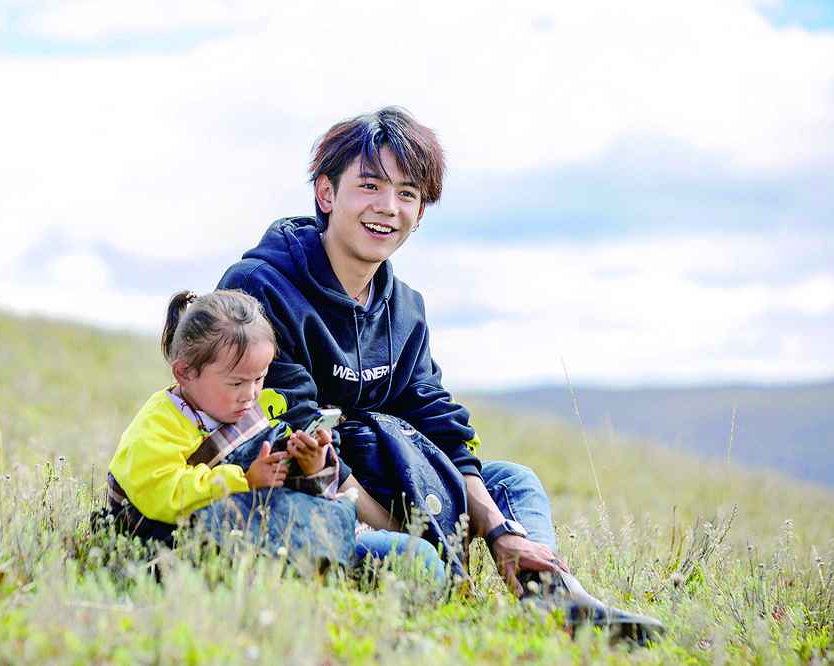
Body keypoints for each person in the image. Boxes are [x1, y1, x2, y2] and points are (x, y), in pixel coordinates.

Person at [218, 107, 664, 642]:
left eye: (407, 193)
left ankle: (553, 597)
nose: (388, 207)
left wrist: (498, 530)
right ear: (326, 193)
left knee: (511, 482)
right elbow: (292, 434)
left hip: (385, 475)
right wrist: (410, 533)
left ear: (421, 211)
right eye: (370, 185)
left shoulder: (406, 307)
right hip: (295, 490)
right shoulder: (261, 286)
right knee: (419, 565)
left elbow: (435, 419)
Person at [103, 288, 445, 584]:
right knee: (406, 562)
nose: (250, 394)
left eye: (259, 378)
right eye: (236, 382)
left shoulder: (247, 411)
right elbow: (160, 492)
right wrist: (244, 481)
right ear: (185, 372)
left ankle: (343, 561)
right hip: (197, 546)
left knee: (422, 557)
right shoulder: (161, 422)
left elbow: (284, 490)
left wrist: (312, 467)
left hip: (282, 534)